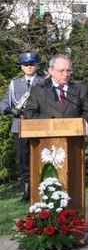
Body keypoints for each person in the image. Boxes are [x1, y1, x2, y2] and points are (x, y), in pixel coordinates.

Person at [0, 53, 44, 201]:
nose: (29, 67)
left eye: (32, 64)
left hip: (38, 124)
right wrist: (9, 110)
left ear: (37, 66)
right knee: (23, 159)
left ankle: (43, 188)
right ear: (21, 67)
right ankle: (27, 191)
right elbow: (4, 103)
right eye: (26, 65)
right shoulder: (14, 84)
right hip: (19, 125)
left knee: (41, 157)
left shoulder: (44, 82)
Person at [24, 54, 88, 125]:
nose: (66, 74)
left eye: (68, 70)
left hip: (74, 134)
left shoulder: (81, 89)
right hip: (47, 134)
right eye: (61, 71)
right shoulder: (38, 90)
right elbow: (29, 114)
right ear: (51, 70)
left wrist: (76, 124)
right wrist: (50, 124)